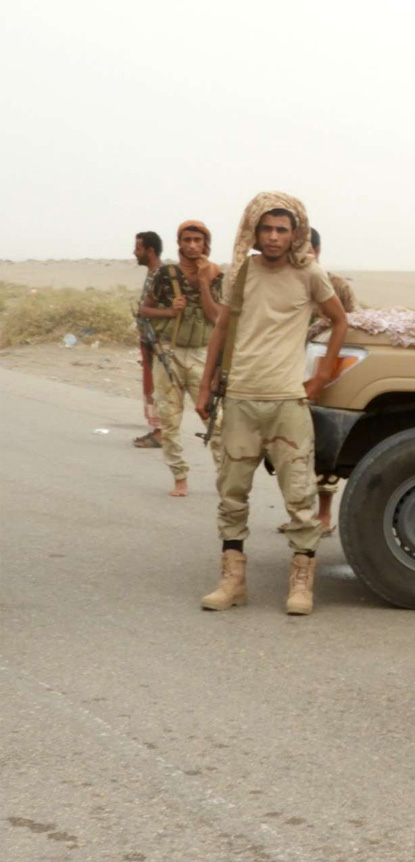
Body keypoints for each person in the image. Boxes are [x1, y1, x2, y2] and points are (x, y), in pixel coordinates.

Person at [196, 192, 349, 616]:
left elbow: (340, 320)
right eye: (267, 228)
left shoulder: (310, 274)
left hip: (287, 401)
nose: (274, 236)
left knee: (299, 496)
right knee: (232, 492)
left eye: (282, 229)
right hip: (242, 397)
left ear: (295, 232)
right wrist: (206, 386)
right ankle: (232, 579)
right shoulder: (242, 272)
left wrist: (321, 376)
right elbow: (221, 328)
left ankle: (301, 583)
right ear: (254, 231)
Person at [278, 227, 356, 535]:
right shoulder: (284, 281)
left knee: (322, 448)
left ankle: (323, 516)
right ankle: (300, 514)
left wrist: (326, 374)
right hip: (287, 370)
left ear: (318, 251)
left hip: (322, 372)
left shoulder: (336, 285)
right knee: (289, 451)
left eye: (309, 249)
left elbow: (349, 325)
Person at [139, 221, 223, 495]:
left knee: (216, 420)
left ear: (205, 243)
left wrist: (203, 283)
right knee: (169, 419)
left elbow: (216, 317)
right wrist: (170, 312)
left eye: (197, 240)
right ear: (179, 243)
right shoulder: (166, 274)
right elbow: (145, 310)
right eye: (186, 239)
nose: (192, 245)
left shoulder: (215, 273)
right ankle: (179, 477)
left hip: (202, 354)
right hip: (169, 353)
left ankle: (227, 480)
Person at [132, 231, 165, 448]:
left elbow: (167, 310)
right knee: (152, 387)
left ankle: (161, 433)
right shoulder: (153, 274)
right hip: (149, 341)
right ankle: (157, 430)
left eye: (138, 248)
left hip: (158, 342)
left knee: (160, 387)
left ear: (150, 251)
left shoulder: (161, 276)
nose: (135, 252)